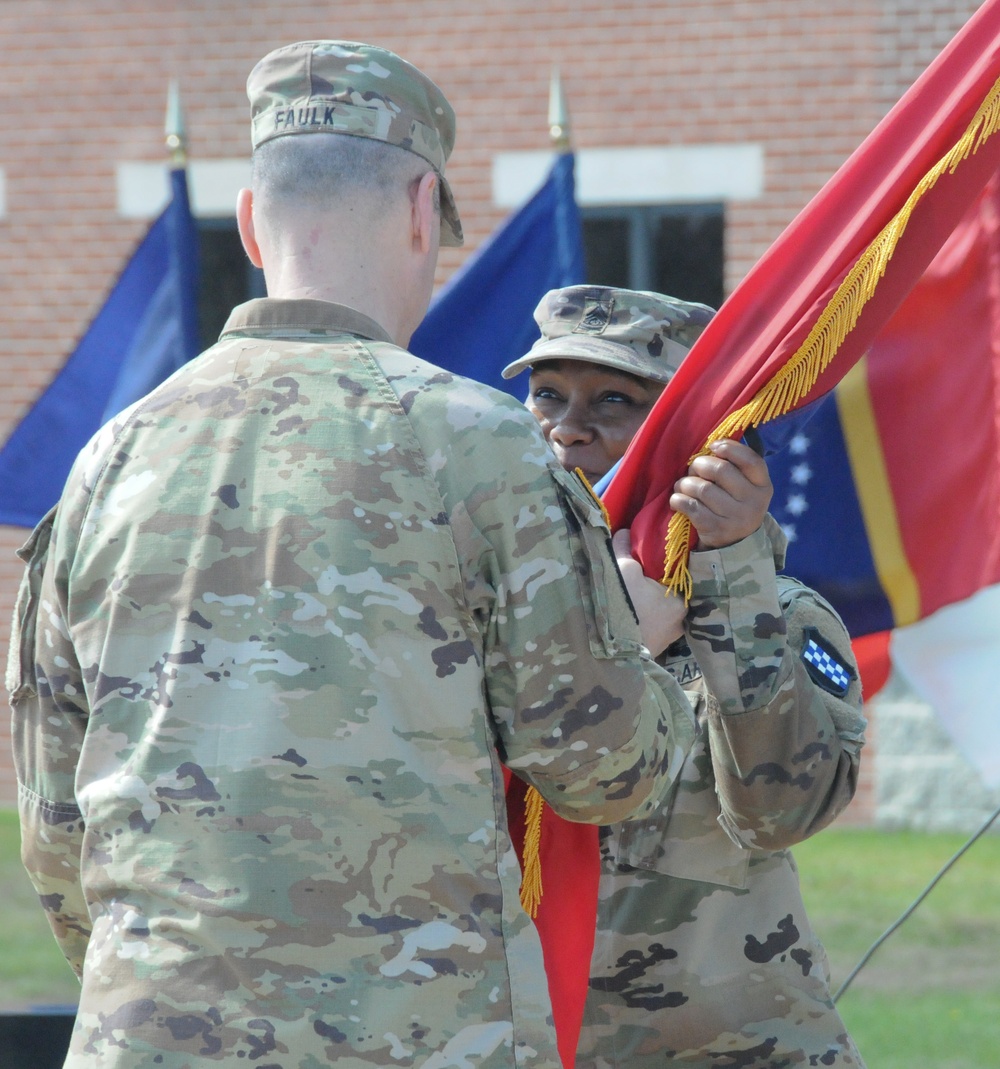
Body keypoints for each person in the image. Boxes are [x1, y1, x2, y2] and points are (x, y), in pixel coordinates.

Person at [6, 47, 698, 1068]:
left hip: (152, 1033)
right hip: (420, 1036)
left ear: (251, 220)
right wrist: (636, 646)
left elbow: (54, 825)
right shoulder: (486, 443)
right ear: (423, 207)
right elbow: (607, 770)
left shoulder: (109, 457)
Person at [502, 285, 868, 1068]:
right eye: (545, 395)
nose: (567, 428)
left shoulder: (781, 612)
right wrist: (616, 641)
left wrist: (730, 569)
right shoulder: (488, 610)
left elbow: (780, 812)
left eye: (613, 400)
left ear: (687, 434)